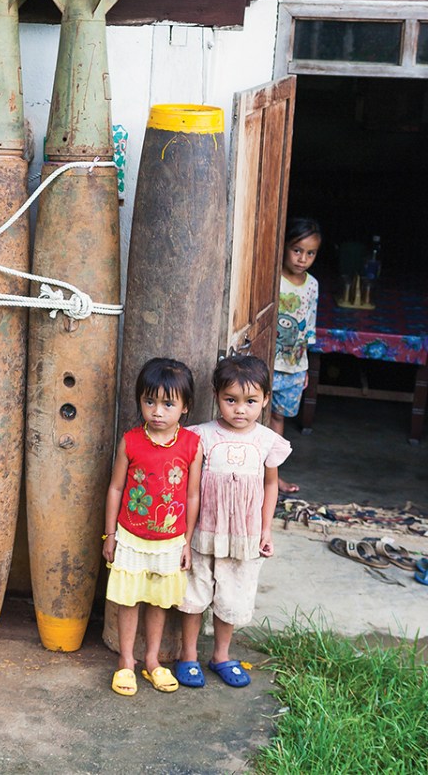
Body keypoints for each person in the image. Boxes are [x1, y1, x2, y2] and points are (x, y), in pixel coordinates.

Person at [175, 355, 291, 689]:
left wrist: (266, 528)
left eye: (251, 401)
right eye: (231, 400)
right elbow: (190, 488)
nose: (240, 409)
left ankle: (222, 656)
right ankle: (188, 656)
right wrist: (183, 534)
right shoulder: (201, 437)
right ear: (216, 396)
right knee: (194, 595)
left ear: (266, 400)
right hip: (203, 533)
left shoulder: (267, 441)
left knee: (233, 597)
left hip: (245, 537)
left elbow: (271, 485)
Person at [103, 358, 204, 696]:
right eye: (149, 401)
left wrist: (187, 542)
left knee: (159, 602)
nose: (157, 411)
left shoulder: (191, 445)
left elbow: (192, 496)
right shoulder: (131, 441)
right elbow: (116, 488)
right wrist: (111, 535)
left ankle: (151, 661)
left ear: (185, 407)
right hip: (131, 538)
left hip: (170, 541)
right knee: (129, 601)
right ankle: (126, 662)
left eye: (168, 403)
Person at [271, 216, 321, 493]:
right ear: (285, 247)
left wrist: (306, 369)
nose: (302, 258)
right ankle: (252, 476)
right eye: (297, 250)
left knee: (278, 419)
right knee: (253, 419)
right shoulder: (272, 278)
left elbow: (309, 327)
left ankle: (271, 476)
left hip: (294, 367)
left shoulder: (312, 285)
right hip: (267, 365)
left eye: (310, 253)